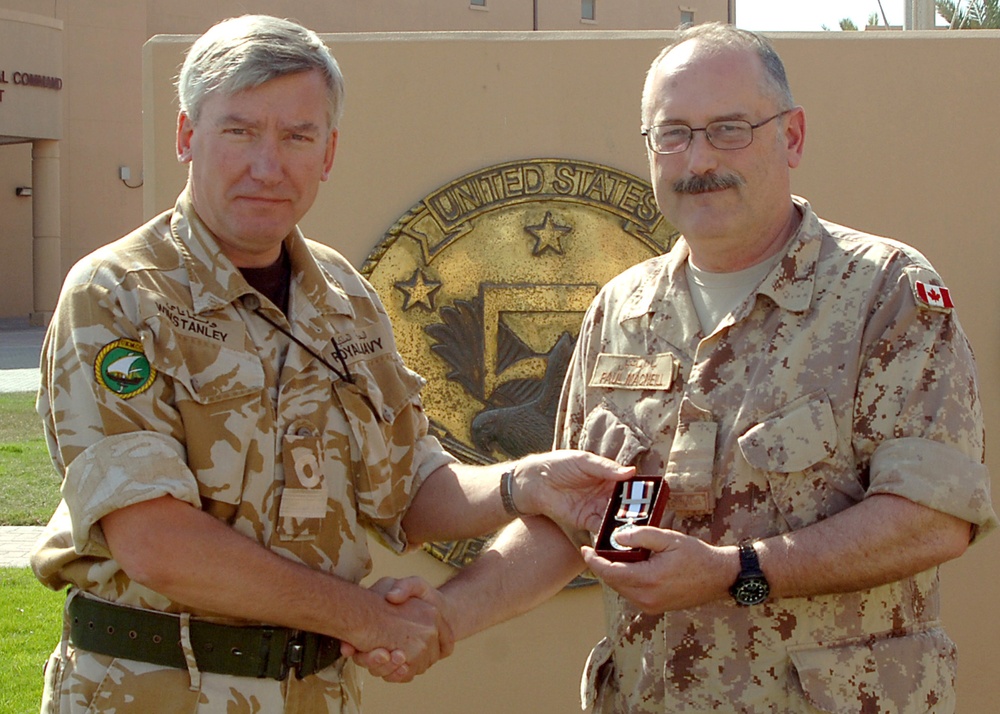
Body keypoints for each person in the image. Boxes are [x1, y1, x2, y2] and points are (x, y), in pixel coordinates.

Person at [363, 22, 997, 712]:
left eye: (729, 129)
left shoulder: (885, 292)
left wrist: (737, 573)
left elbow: (933, 516)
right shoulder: (619, 311)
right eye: (674, 133)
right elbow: (571, 524)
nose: (699, 159)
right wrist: (444, 617)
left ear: (792, 136)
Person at [28, 14, 632, 714]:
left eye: (296, 136)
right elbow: (157, 541)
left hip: (316, 692)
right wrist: (369, 619)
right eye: (239, 131)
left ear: (329, 151)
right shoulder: (118, 294)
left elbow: (408, 484)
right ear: (186, 136)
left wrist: (525, 482)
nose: (267, 164)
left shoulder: (344, 297)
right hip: (153, 690)